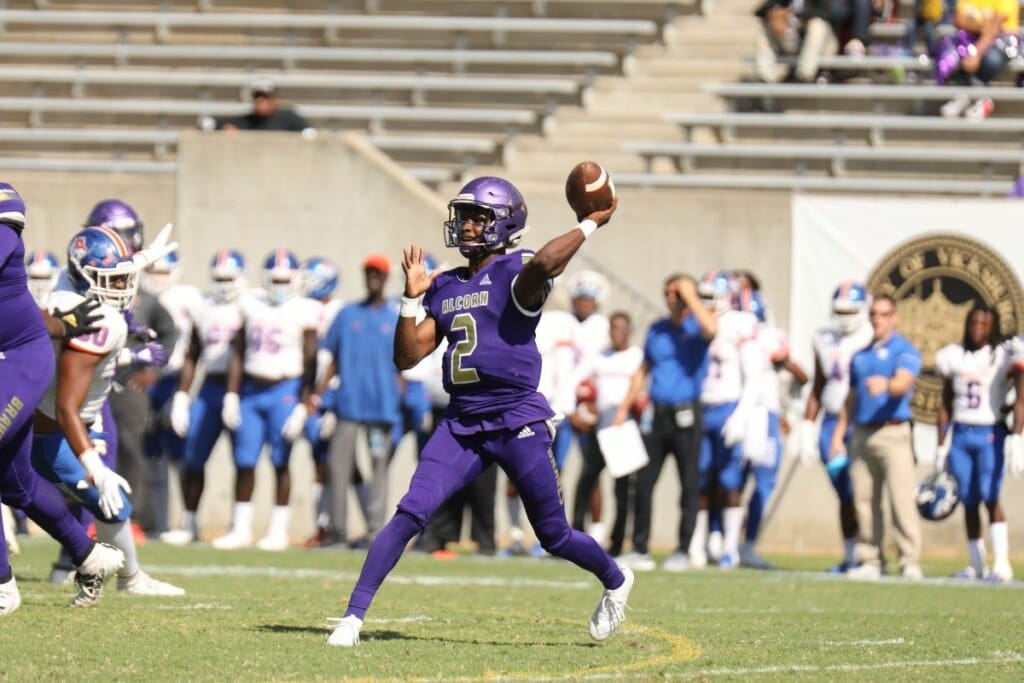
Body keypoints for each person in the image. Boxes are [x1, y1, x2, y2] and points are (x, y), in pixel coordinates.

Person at [324, 176, 629, 647]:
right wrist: (410, 299)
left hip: (516, 419)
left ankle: (615, 579)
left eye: (478, 217)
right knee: (411, 511)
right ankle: (352, 618)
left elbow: (547, 261)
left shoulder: (518, 270)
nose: (466, 226)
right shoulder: (444, 285)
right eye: (464, 216)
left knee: (554, 535)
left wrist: (589, 222)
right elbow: (407, 357)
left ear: (505, 223)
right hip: (462, 421)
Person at [33, 225, 184, 597]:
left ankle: (124, 576)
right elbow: (69, 402)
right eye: (114, 280)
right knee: (95, 496)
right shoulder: (95, 319)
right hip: (54, 426)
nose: (125, 287)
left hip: (71, 417)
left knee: (110, 503)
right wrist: (96, 468)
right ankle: (91, 565)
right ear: (88, 277)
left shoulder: (76, 290)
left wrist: (142, 258)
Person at [0, 184, 125, 614]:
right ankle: (90, 556)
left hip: (19, 364)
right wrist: (63, 323)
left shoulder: (4, 229)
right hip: (14, 357)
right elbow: (19, 312)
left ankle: (2, 588)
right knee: (18, 486)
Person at [84, 199, 178, 535]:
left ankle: (130, 518)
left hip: (124, 382)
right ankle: (83, 525)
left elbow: (169, 333)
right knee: (84, 450)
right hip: (87, 378)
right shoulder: (81, 283)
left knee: (129, 447)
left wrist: (149, 368)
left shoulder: (144, 297)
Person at [214, 249, 318, 551]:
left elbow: (311, 361)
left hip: (285, 390)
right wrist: (231, 394)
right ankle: (241, 528)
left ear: (296, 279)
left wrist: (303, 404)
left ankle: (277, 530)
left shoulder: (305, 309)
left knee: (280, 460)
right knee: (244, 460)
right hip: (251, 390)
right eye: (276, 279)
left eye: (286, 279)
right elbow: (238, 351)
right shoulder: (250, 304)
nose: (281, 284)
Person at [612, 273, 716, 572]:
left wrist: (690, 295)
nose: (672, 297)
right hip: (657, 416)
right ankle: (640, 547)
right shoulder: (657, 329)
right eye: (669, 292)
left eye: (677, 292)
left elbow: (711, 328)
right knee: (643, 483)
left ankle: (683, 550)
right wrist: (623, 408)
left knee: (689, 485)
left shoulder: (698, 325)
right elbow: (643, 370)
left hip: (687, 415)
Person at [832, 294, 923, 581]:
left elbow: (903, 382)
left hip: (893, 431)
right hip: (862, 432)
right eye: (874, 314)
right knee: (864, 500)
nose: (878, 319)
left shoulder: (904, 350)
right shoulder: (861, 355)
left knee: (900, 500)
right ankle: (871, 558)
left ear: (894, 317)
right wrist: (838, 432)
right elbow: (852, 396)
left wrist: (887, 384)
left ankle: (909, 560)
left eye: (884, 314)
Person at [161, 249, 247, 545]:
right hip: (209, 386)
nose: (223, 283)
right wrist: (183, 396)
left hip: (243, 389)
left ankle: (240, 526)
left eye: (229, 277)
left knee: (244, 459)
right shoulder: (202, 306)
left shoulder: (250, 305)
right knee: (192, 456)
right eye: (218, 277)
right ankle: (189, 522)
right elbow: (193, 352)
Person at [318, 253, 402, 548]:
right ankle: (337, 530)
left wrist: (401, 398)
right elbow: (332, 360)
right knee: (339, 467)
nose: (373, 278)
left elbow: (404, 365)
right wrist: (320, 397)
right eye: (369, 273)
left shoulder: (394, 318)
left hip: (382, 409)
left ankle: (375, 532)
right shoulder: (347, 314)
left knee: (379, 469)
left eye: (378, 273)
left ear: (386, 278)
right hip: (348, 405)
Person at [799, 282, 874, 573]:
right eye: (839, 310)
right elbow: (819, 384)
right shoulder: (823, 337)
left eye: (850, 310)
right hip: (831, 422)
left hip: (862, 421)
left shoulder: (871, 336)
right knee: (845, 491)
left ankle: (870, 553)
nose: (844, 316)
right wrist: (807, 424)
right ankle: (851, 554)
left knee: (863, 491)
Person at [690, 271, 761, 570]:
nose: (706, 302)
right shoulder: (694, 322)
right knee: (699, 481)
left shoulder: (740, 323)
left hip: (728, 408)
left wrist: (742, 414)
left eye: (711, 295)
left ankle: (730, 547)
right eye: (702, 295)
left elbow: (754, 375)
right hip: (700, 407)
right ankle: (698, 544)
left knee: (731, 482)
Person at [936, 304, 1013, 581]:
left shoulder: (1002, 354)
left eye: (984, 324)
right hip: (961, 433)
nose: (978, 329)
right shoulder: (953, 355)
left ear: (993, 327)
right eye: (974, 323)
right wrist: (941, 444)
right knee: (968, 499)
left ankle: (1002, 563)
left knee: (990, 495)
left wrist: (1010, 412)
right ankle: (977, 564)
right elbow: (944, 402)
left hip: (989, 431)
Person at [570, 311, 644, 550]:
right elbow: (576, 380)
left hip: (623, 428)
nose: (616, 333)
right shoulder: (599, 356)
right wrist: (579, 409)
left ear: (630, 331)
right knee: (586, 482)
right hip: (599, 426)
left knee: (622, 489)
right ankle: (575, 537)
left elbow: (641, 389)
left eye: (621, 328)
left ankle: (618, 541)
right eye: (613, 328)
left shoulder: (636, 356)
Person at [214, 78, 314, 133]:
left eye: (265, 96)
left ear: (274, 100)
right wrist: (224, 128)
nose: (260, 100)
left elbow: (310, 133)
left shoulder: (288, 119)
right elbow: (209, 123)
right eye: (257, 96)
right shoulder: (245, 120)